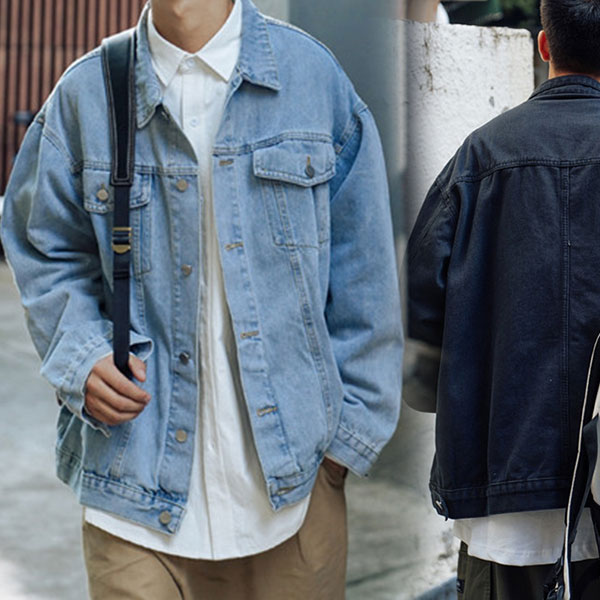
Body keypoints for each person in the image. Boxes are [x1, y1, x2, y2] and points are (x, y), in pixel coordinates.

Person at [0, 0, 403, 598]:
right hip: (131, 495)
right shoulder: (87, 93)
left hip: (294, 497)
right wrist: (81, 353)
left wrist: (345, 442)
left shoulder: (313, 80)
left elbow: (363, 268)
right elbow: (43, 244)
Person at [406, 0, 600, 597]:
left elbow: (419, 313)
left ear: (543, 45)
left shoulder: (480, 155)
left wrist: (453, 399)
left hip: (503, 495)